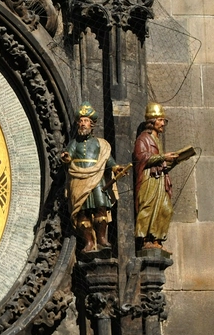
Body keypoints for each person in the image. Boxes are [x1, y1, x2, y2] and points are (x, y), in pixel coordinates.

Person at [60, 102, 119, 253]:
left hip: (97, 177)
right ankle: (89, 242)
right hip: (79, 179)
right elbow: (68, 156)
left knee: (101, 208)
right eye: (80, 121)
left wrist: (115, 167)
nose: (82, 124)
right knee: (82, 212)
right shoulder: (74, 143)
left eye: (85, 121)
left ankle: (102, 239)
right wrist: (66, 157)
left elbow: (107, 159)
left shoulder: (100, 143)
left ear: (92, 124)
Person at [133, 102, 179, 250]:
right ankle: (146, 239)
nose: (163, 124)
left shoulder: (157, 140)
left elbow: (160, 159)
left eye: (163, 120)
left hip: (160, 178)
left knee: (166, 209)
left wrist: (173, 160)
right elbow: (141, 157)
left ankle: (157, 240)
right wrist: (162, 157)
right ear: (152, 122)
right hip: (149, 179)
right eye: (160, 120)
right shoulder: (143, 139)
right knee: (148, 207)